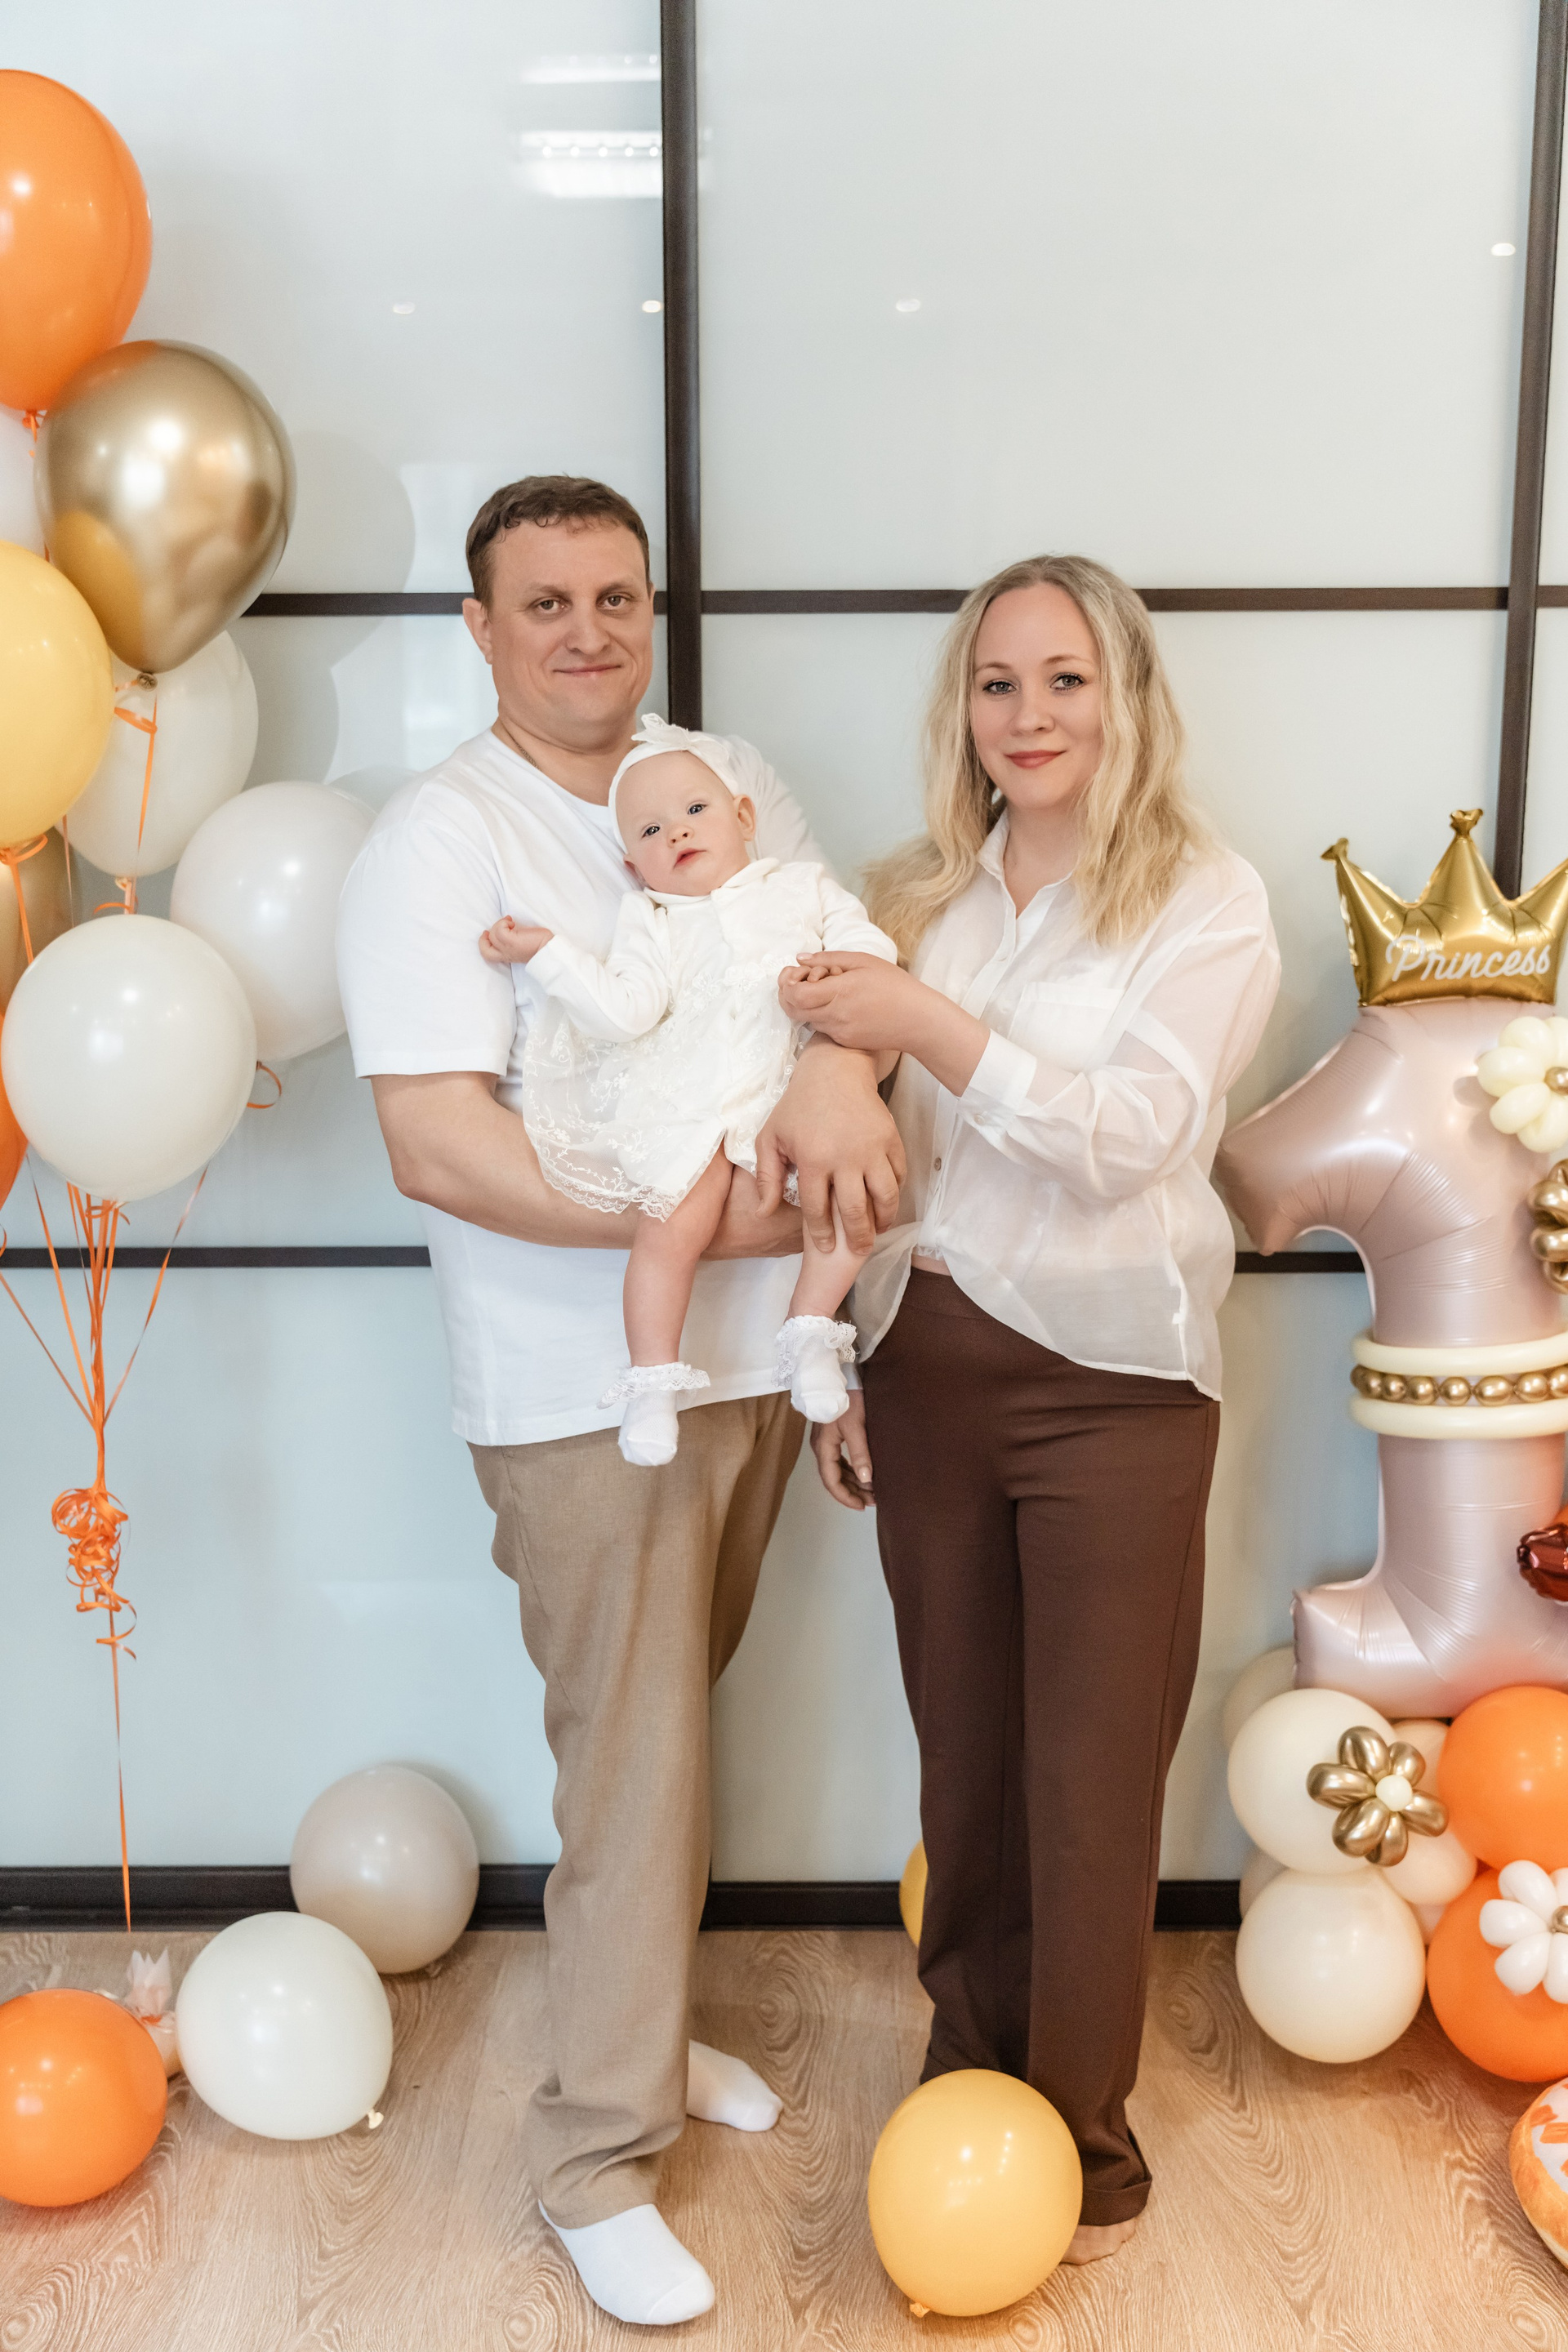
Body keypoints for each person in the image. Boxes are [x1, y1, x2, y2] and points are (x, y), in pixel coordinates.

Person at [335, 475, 904, 2328]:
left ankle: (641, 2041)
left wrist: (836, 1084)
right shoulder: (442, 841)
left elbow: (830, 984)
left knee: (670, 1734)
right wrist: (712, 1217)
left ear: (649, 610)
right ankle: (595, 2155)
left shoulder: (718, 778)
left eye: (615, 596)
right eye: (545, 601)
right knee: (632, 1764)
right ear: (479, 629)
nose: (587, 632)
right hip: (584, 1385)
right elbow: (438, 1145)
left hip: (751, 1357)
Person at [785, 553, 1279, 2263]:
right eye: (999, 683)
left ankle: (1082, 2133)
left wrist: (923, 1021)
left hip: (1115, 1386)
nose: (1031, 714)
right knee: (967, 1755)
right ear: (965, 712)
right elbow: (863, 1159)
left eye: (1066, 679)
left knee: (1088, 1771)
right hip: (926, 1362)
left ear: (1125, 698)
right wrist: (837, 1356)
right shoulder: (914, 897)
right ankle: (967, 2068)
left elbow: (1133, 1138)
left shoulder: (1205, 900)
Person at [479, 715, 898, 1466]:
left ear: (744, 817)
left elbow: (870, 948)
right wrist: (548, 955)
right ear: (633, 863)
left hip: (783, 1091)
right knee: (671, 1226)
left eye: (695, 810)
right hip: (692, 1099)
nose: (675, 831)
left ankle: (811, 1329)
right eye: (650, 830)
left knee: (843, 1198)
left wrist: (833, 972)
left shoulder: (801, 888)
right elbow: (623, 1009)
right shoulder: (651, 919)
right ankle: (651, 1380)